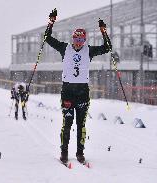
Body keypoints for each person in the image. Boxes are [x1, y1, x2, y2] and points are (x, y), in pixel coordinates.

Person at [46, 14, 111, 164]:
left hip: (82, 92)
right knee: (67, 124)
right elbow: (48, 38)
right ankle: (64, 152)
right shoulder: (65, 48)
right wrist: (51, 22)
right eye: (76, 39)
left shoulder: (89, 50)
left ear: (84, 41)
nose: (78, 43)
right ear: (73, 39)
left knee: (81, 124)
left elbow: (108, 48)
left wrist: (103, 31)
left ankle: (80, 153)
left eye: (81, 40)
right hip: (67, 91)